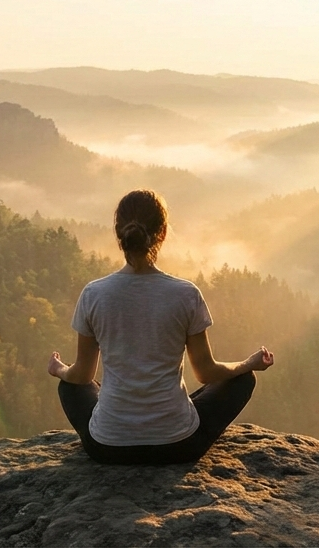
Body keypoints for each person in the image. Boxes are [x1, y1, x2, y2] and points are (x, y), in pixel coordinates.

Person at [48, 189, 274, 464]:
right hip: (179, 445)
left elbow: (83, 376)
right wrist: (247, 364)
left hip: (108, 448)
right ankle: (170, 418)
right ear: (163, 233)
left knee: (69, 386)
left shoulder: (94, 294)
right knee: (242, 380)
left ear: (118, 233)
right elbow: (206, 372)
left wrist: (59, 369)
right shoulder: (185, 294)